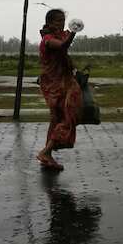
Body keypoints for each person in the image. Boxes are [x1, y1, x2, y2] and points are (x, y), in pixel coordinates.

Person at [36, 9, 82, 171]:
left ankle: (47, 155)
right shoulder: (48, 40)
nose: (61, 24)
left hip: (62, 84)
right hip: (55, 86)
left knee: (56, 119)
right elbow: (62, 46)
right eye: (58, 21)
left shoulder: (59, 36)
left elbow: (64, 49)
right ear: (49, 23)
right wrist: (73, 33)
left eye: (63, 20)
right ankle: (46, 151)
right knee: (68, 116)